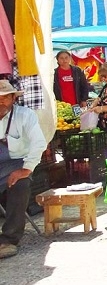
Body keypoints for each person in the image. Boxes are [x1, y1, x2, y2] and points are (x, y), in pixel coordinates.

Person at [0, 81, 46, 259]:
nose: (1, 102)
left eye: (5, 98)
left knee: (20, 185)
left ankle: (9, 239)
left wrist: (26, 169)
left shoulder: (25, 115)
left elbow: (38, 143)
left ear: (13, 98)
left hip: (18, 163)